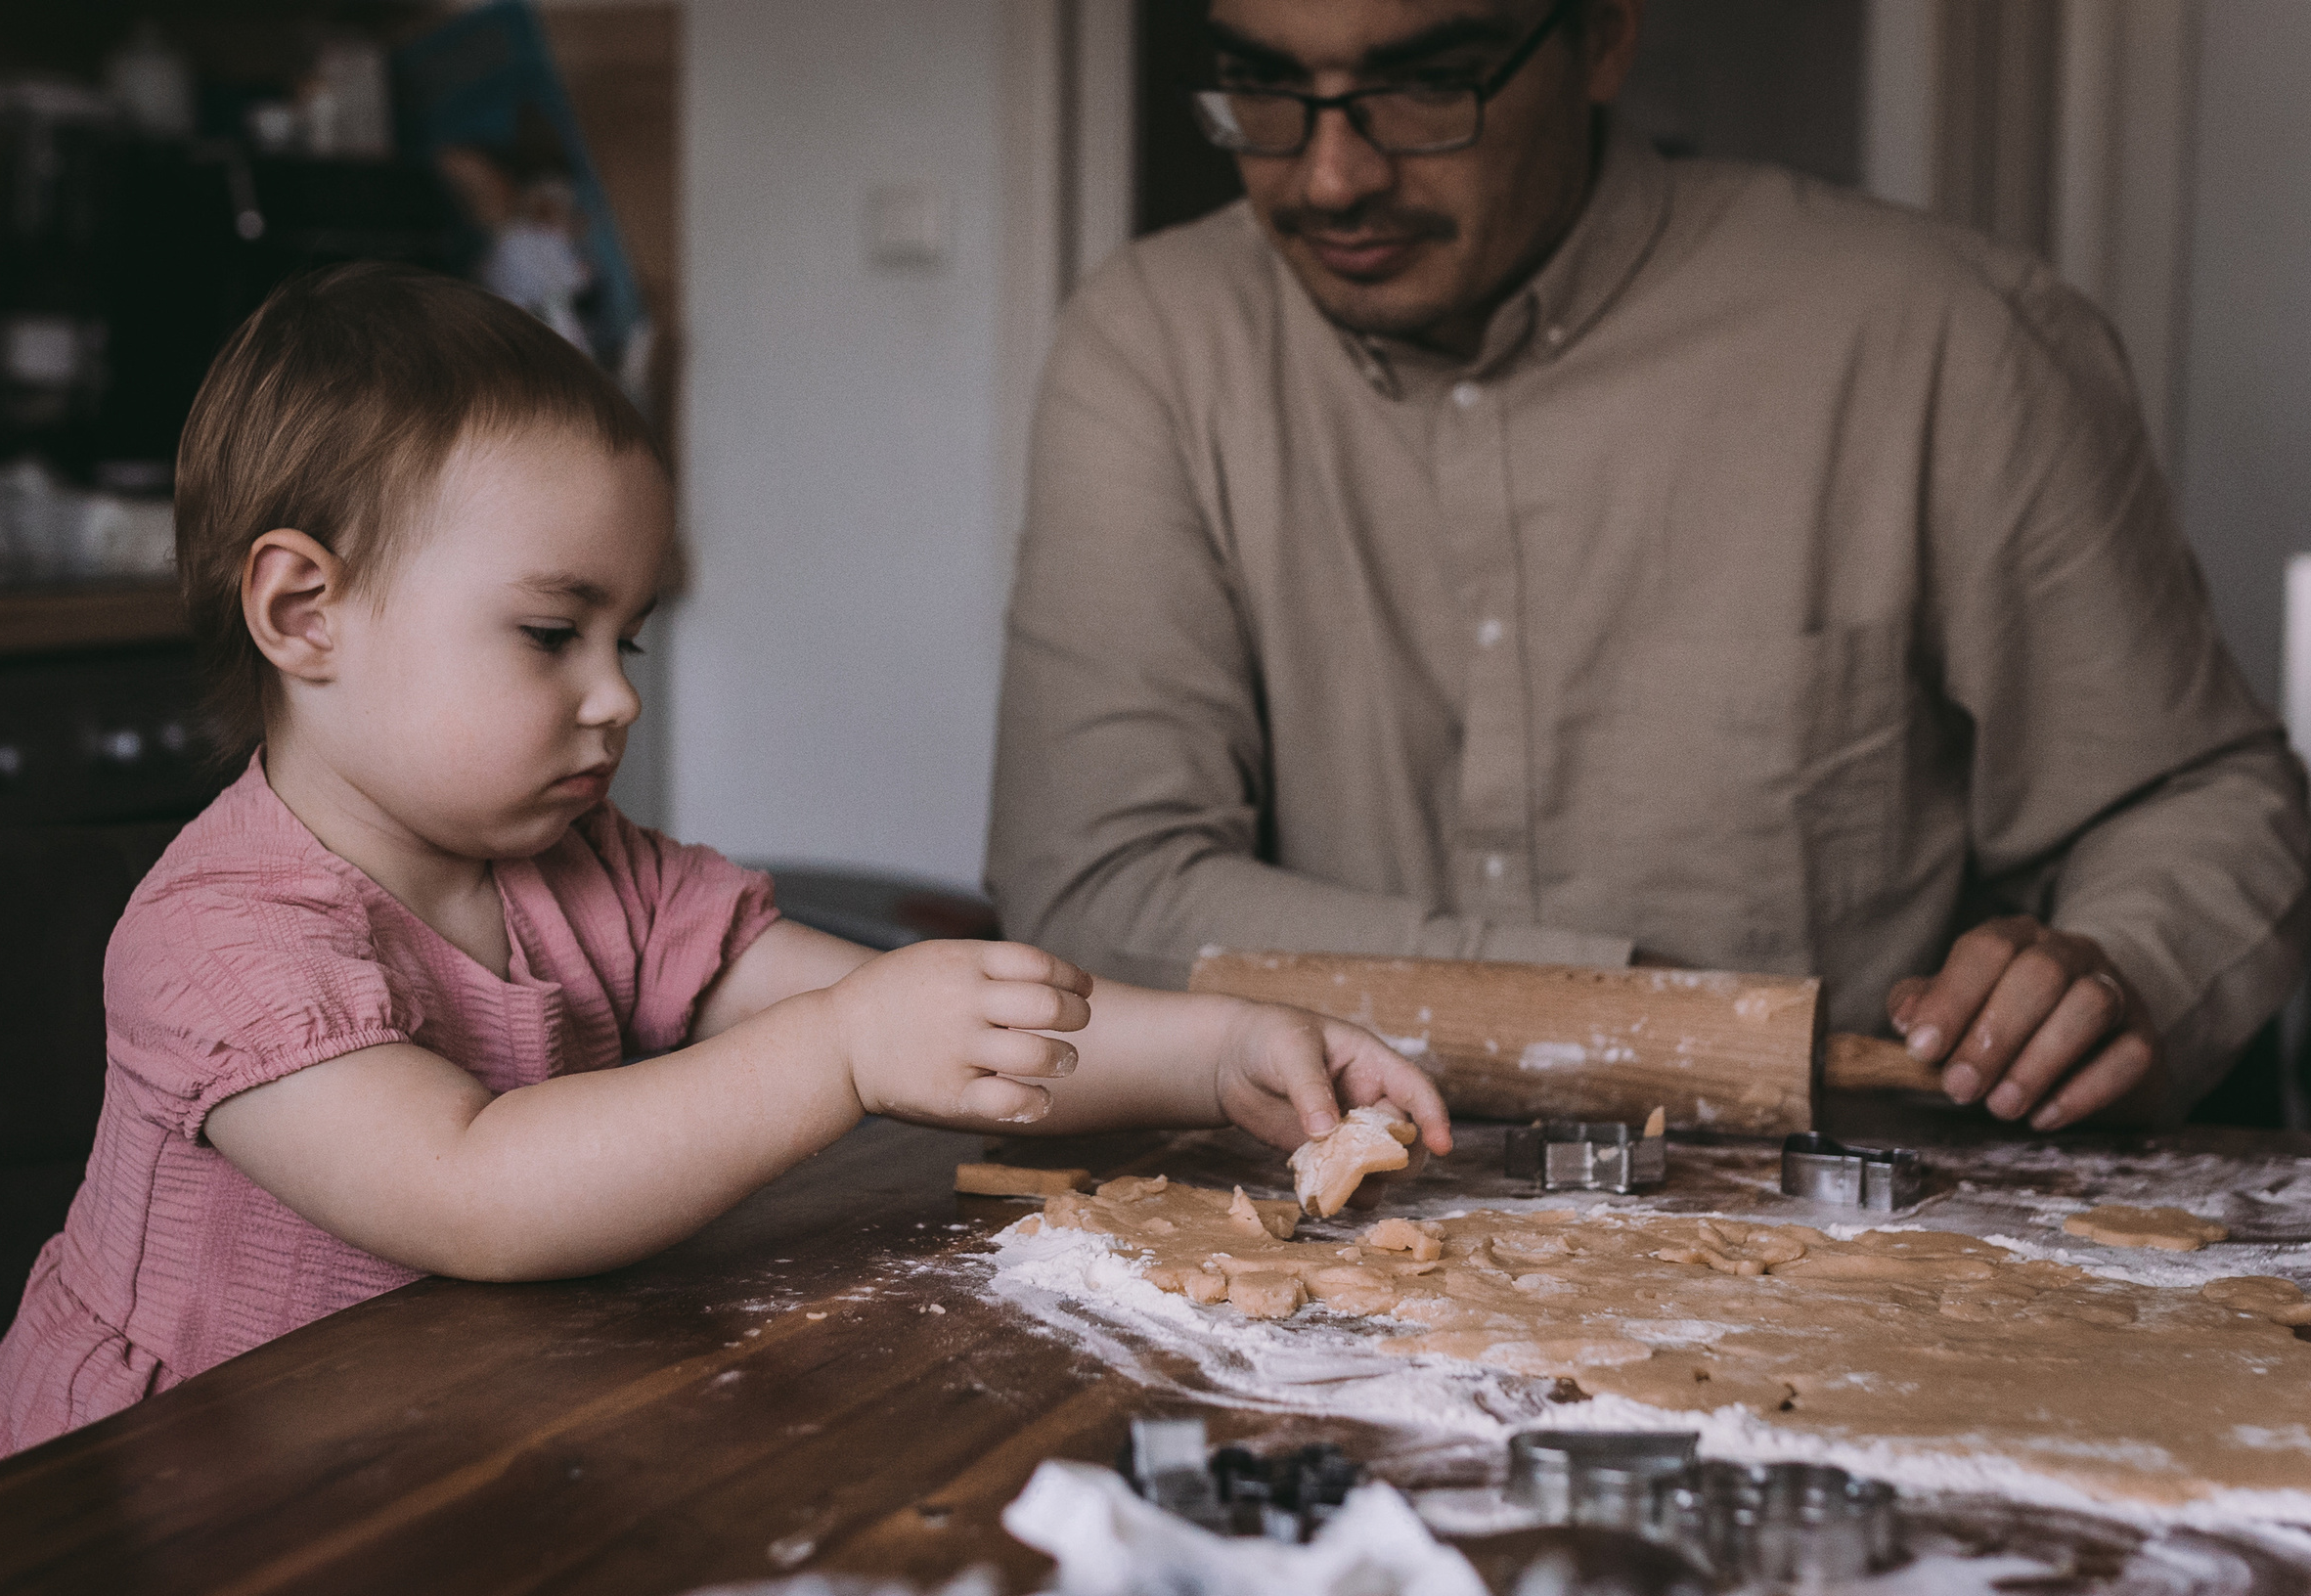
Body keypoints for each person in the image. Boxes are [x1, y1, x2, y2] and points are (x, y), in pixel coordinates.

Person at [0, 264, 1445, 1475]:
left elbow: (950, 1027)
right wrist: (840, 1052)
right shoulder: (218, 942)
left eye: (632, 638)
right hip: (162, 1510)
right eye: (553, 633)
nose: (616, 696)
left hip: (440, 1447)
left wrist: (1219, 1051)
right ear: (303, 611)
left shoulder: (592, 874)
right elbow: (476, 1191)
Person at [987, 0, 2310, 1131]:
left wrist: (2122, 964)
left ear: (1604, 37)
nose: (1331, 178)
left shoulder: (1948, 339)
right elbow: (1095, 893)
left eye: (1428, 84)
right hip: (1312, 1235)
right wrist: (1647, 1013)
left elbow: (2203, 799)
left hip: (1849, 1244)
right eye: (1268, 88)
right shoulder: (1152, 343)